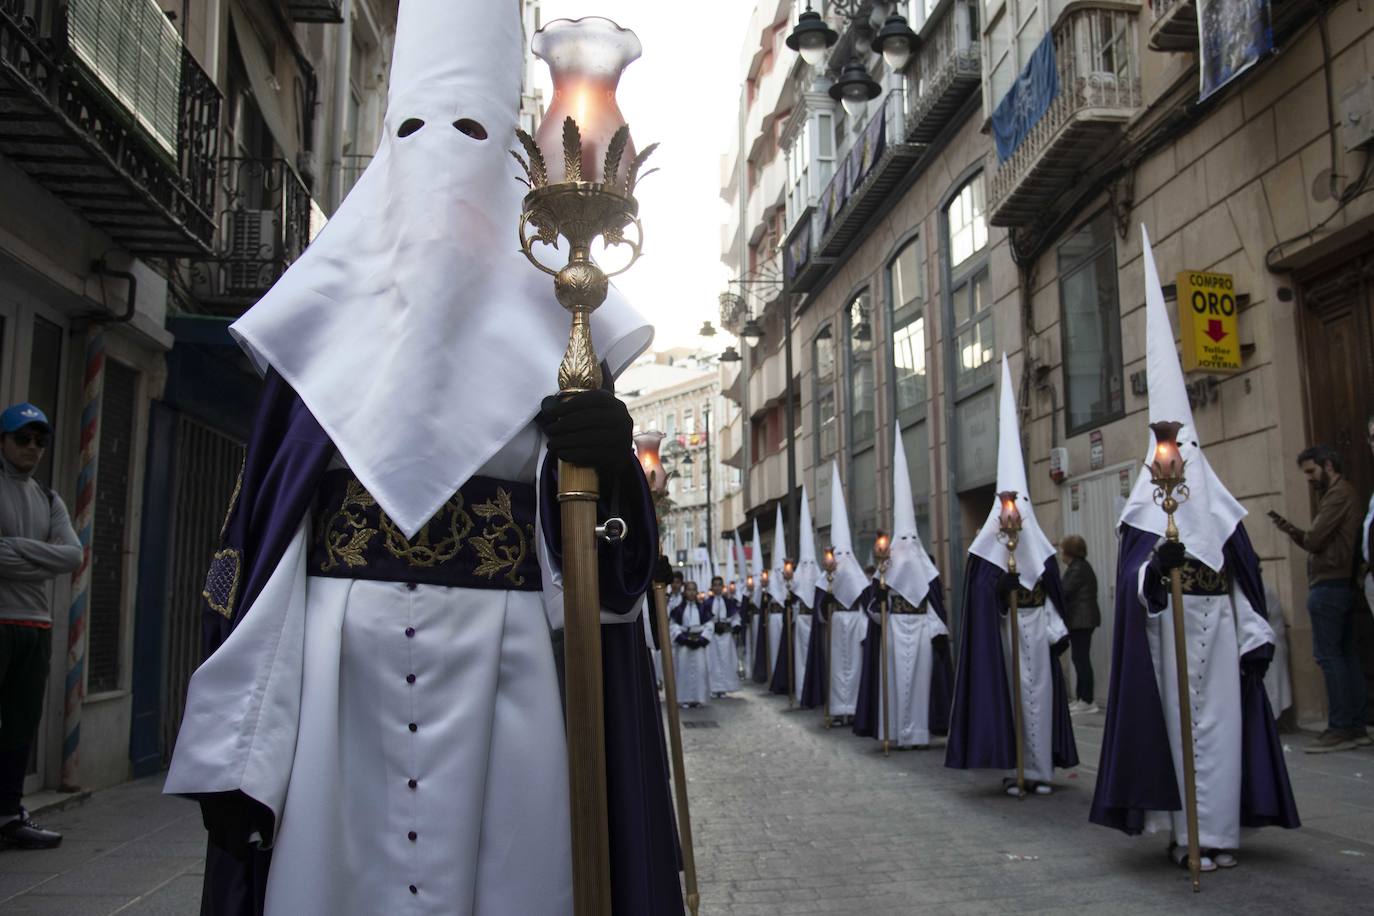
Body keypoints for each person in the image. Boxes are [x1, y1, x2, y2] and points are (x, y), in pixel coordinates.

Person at [162, 4, 683, 913]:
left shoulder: (565, 330)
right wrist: (232, 753)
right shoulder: (318, 333)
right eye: (414, 131)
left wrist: (611, 471)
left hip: (511, 668)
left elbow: (612, 570)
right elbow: (260, 550)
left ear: (509, 160)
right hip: (339, 687)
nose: (441, 156)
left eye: (472, 133)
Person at [1091, 228, 1297, 873]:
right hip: (1169, 643)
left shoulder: (1222, 513)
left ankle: (1222, 835)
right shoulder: (1142, 516)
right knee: (1179, 738)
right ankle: (1185, 834)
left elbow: (1245, 578)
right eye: (1169, 456)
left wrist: (1252, 631)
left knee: (1224, 735)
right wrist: (1157, 572)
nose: (1180, 466)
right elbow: (1131, 584)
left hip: (1219, 635)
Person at [946, 357, 1077, 796]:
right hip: (1005, 634)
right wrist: (998, 594)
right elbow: (981, 600)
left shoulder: (1038, 545)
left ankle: (1040, 769)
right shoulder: (985, 552)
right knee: (1012, 698)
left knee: (1039, 697)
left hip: (1037, 630)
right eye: (1005, 506)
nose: (1011, 514)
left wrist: (1056, 628)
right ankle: (1015, 764)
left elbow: (1052, 590)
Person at [0, 403, 80, 850]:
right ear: (3, 441)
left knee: (20, 724)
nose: (32, 448)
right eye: (22, 438)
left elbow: (71, 557)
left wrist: (12, 548)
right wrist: (39, 555)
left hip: (36, 623)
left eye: (40, 440)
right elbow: (56, 557)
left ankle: (9, 813)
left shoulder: (49, 498)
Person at [1271, 444, 1368, 752]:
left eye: (1312, 471)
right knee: (1345, 656)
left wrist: (1303, 535)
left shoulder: (1339, 495)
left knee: (1331, 657)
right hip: (1339, 584)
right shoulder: (1339, 495)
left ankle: (1341, 727)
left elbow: (1315, 539)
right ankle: (1354, 725)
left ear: (1328, 465)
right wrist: (1293, 531)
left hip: (1331, 585)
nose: (1310, 479)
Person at [1059, 535, 1101, 714]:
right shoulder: (1079, 567)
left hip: (1081, 620)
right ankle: (1081, 698)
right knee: (1079, 658)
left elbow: (1064, 590)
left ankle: (1087, 699)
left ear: (1069, 551)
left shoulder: (1077, 569)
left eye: (1062, 550)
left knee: (1081, 658)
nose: (1061, 554)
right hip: (1081, 619)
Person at [671, 581, 712, 707]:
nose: (692, 592)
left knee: (700, 671)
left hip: (699, 645)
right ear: (685, 591)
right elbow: (673, 626)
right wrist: (683, 639)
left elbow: (709, 625)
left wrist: (702, 639)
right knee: (683, 670)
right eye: (689, 590)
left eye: (694, 590)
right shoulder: (678, 609)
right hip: (684, 646)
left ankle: (698, 698)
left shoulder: (703, 608)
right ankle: (684, 699)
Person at [702, 576, 740, 697]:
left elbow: (735, 617)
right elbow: (704, 620)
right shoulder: (707, 603)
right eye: (715, 585)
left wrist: (735, 626)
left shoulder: (729, 602)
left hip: (726, 636)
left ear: (723, 587)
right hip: (712, 637)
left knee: (726, 661)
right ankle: (713, 688)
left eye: (719, 585)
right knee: (713, 661)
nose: (717, 587)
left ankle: (724, 688)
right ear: (712, 587)